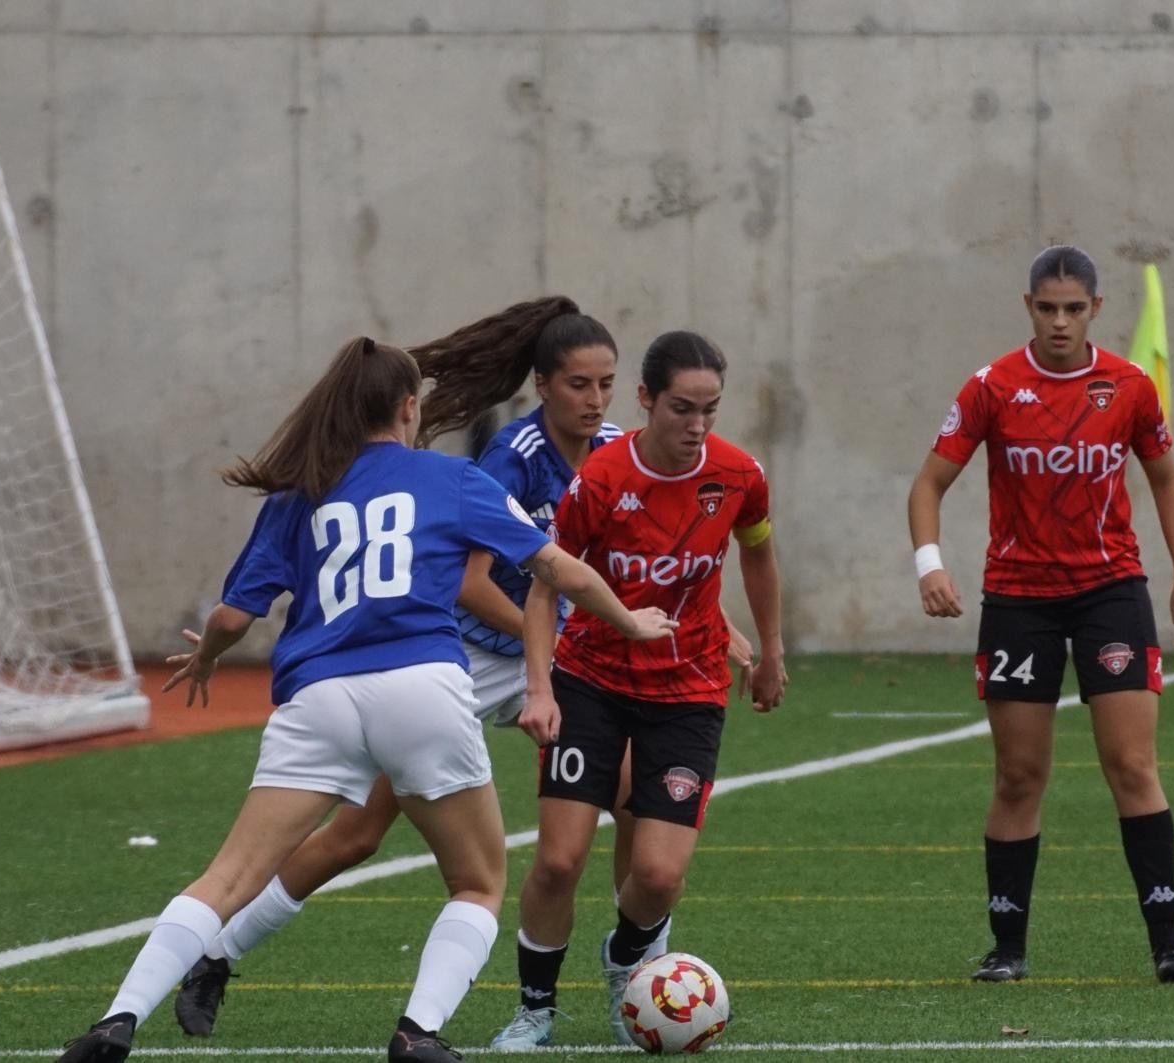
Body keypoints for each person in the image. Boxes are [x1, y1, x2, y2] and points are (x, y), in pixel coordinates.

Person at [53, 336, 677, 1063]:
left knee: (226, 876)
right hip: (419, 686)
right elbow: (558, 569)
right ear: (410, 407)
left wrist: (207, 658)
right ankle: (417, 1032)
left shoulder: (301, 491)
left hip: (316, 696)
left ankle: (116, 1019)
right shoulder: (450, 478)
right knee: (477, 880)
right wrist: (630, 620)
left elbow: (231, 616)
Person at [171, 297, 751, 1038]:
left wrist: (714, 622)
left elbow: (645, 558)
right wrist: (567, 629)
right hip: (468, 654)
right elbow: (472, 582)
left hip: (554, 653)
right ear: (541, 385)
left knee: (639, 801)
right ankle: (219, 953)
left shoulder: (615, 449)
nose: (595, 400)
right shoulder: (512, 458)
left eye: (606, 383)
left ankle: (636, 972)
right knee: (359, 831)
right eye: (579, 384)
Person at [907, 244, 1174, 985]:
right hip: (1018, 599)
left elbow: (1165, 477)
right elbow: (928, 484)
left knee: (1132, 763)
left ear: (1096, 309)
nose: (1062, 321)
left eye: (1075, 308)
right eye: (1048, 308)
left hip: (1111, 590)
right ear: (1029, 307)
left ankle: (1167, 941)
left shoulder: (1129, 385)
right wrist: (931, 563)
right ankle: (1007, 948)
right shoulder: (994, 386)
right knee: (1018, 775)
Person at [492, 330, 787, 1050]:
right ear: (647, 399)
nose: (697, 426)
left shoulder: (739, 474)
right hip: (591, 681)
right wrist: (540, 688)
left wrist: (769, 649)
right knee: (560, 858)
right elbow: (546, 584)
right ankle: (535, 1007)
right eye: (682, 408)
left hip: (687, 690)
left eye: (710, 410)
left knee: (656, 875)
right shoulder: (600, 481)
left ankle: (628, 961)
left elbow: (758, 554)